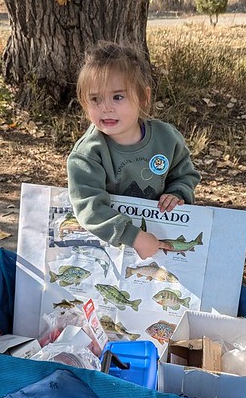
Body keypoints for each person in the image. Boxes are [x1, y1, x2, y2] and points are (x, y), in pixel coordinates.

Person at [67, 41, 201, 259]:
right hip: (110, 246)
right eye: (95, 99)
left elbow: (185, 175)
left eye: (117, 97)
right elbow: (90, 209)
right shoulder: (87, 154)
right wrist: (134, 236)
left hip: (161, 238)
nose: (106, 107)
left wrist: (177, 193)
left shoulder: (166, 138)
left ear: (143, 97)